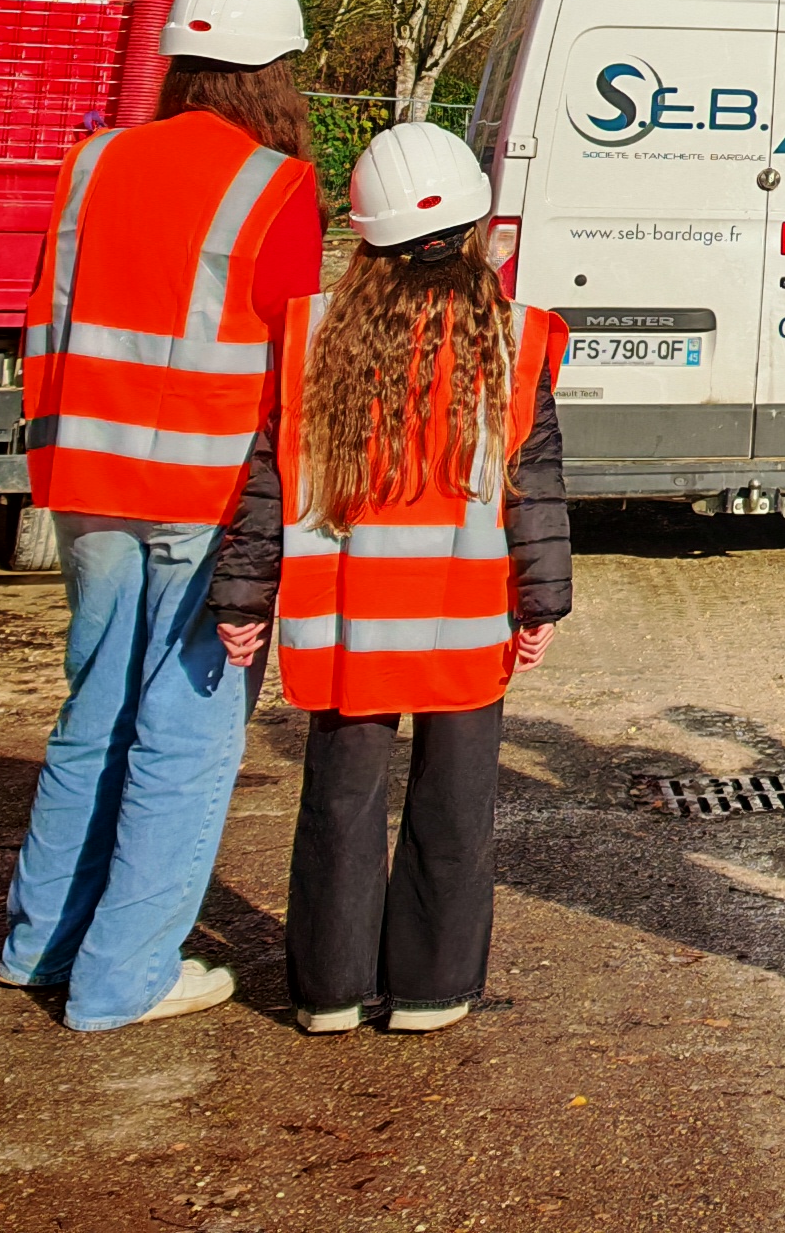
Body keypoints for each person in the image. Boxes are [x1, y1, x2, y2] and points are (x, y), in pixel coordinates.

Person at [0, 0, 329, 1032]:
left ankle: (39, 945)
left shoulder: (91, 163)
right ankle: (124, 976)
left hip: (82, 484)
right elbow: (293, 369)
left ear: (182, 64)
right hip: (203, 495)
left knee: (92, 713)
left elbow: (49, 313)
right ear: (276, 72)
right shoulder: (274, 186)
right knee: (186, 736)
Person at [212, 123, 570, 1032]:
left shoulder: (309, 334)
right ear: (474, 228)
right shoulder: (514, 339)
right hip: (462, 625)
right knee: (455, 808)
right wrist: (541, 603)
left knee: (339, 804)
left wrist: (243, 595)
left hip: (345, 630)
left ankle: (330, 992)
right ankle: (432, 987)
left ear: (365, 236)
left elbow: (264, 479)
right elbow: (535, 489)